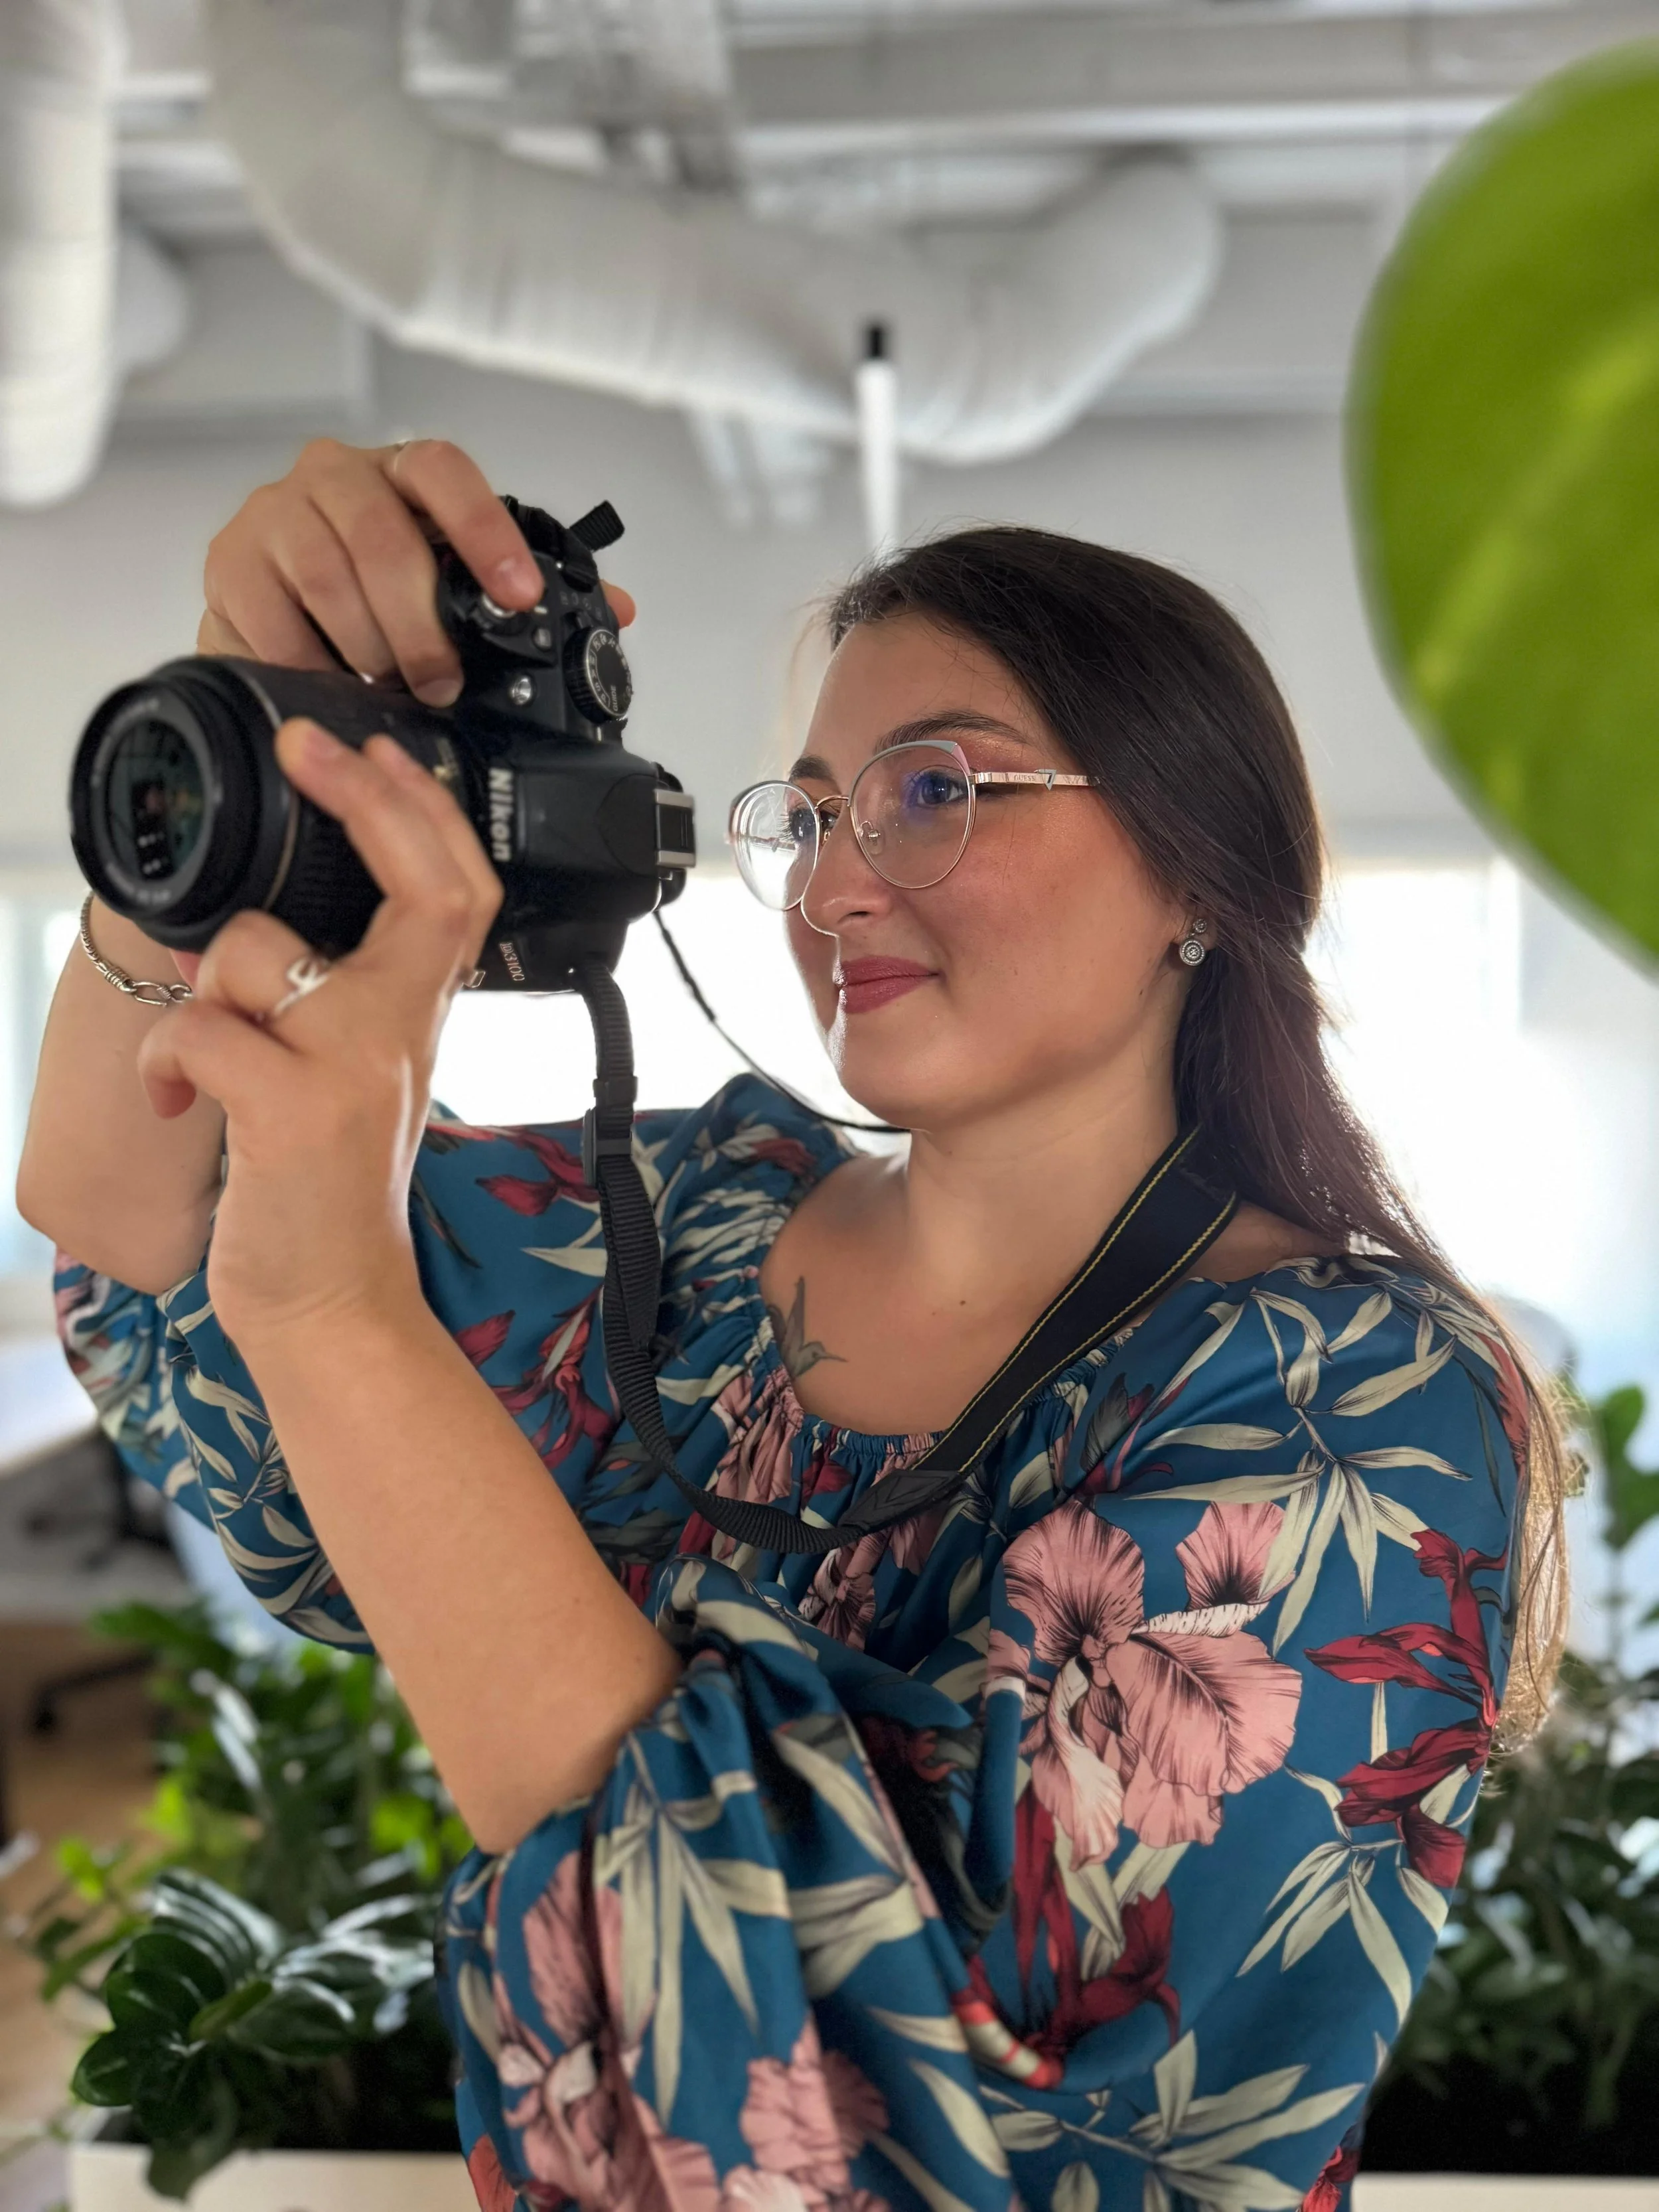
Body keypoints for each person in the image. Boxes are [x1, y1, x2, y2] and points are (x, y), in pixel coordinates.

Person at [21, 437, 1569, 2212]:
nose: (833, 890)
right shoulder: (693, 1222)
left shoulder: (1348, 1410)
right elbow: (138, 1230)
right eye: (813, 813)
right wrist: (249, 718)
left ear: (1199, 873)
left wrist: (336, 1307)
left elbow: (886, 2117)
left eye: (936, 792)